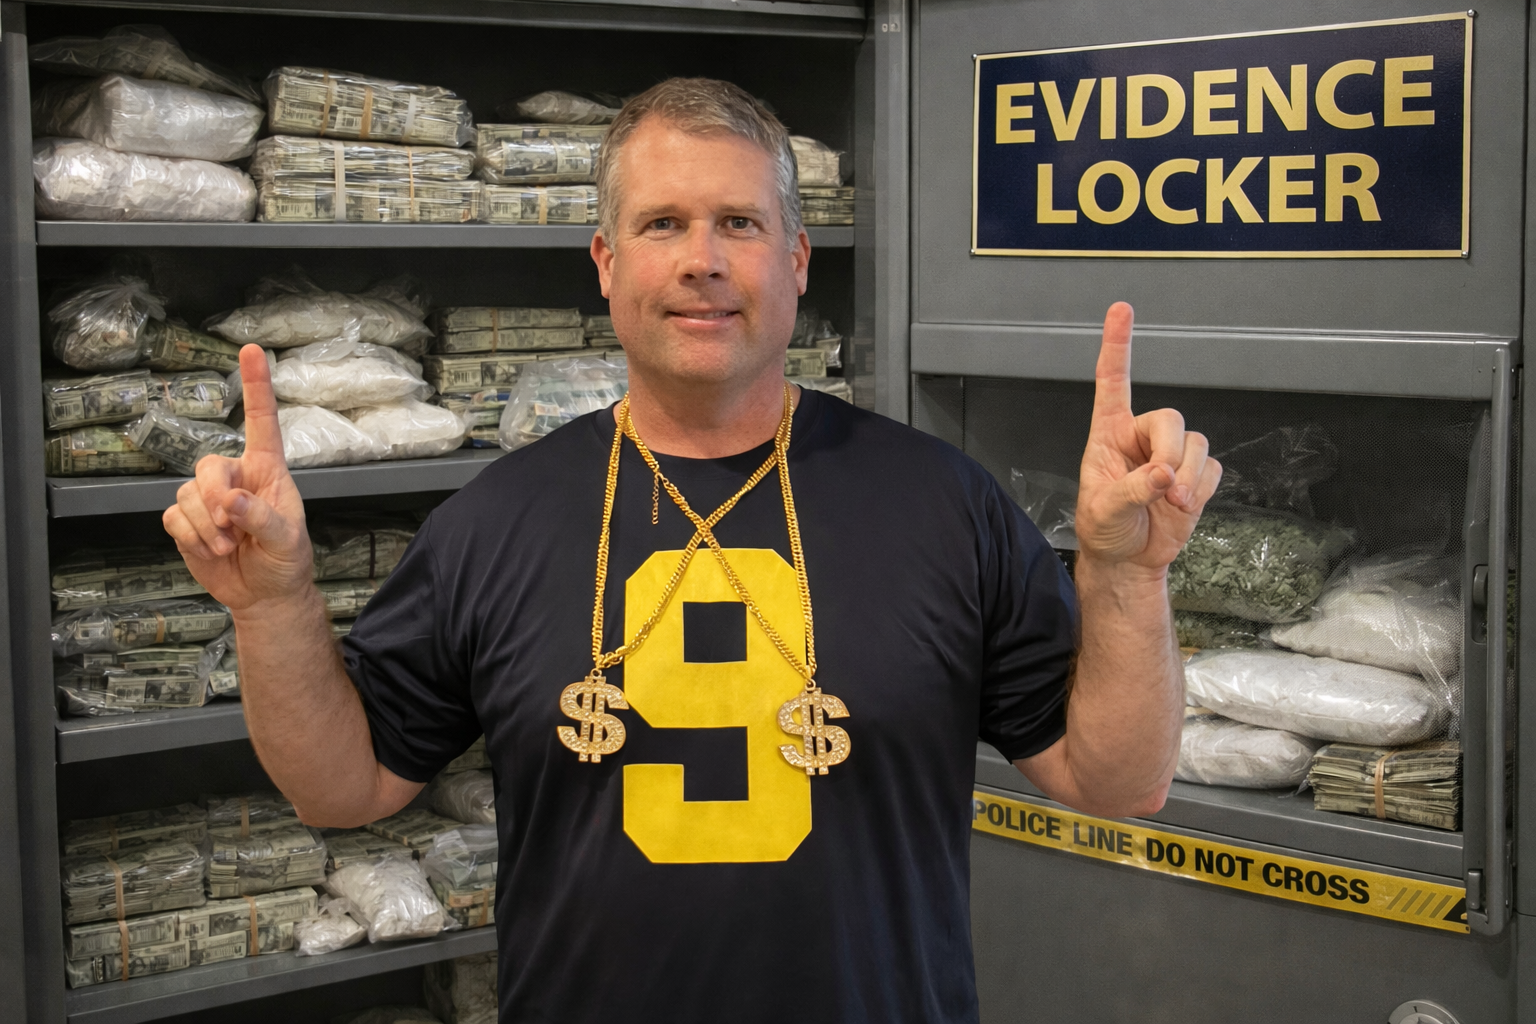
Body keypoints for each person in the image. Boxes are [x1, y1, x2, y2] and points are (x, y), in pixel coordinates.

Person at [163, 78, 1219, 1023]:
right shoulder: (493, 522)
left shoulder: (945, 503)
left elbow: (1115, 780)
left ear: (797, 260)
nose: (702, 259)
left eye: (740, 223)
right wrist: (272, 607)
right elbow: (342, 789)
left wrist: (1129, 575)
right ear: (607, 264)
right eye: (663, 222)